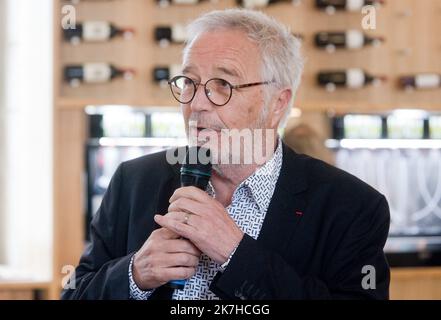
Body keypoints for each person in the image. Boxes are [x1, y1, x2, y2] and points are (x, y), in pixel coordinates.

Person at [62, 9, 390, 300]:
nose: (197, 104)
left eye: (223, 84)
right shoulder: (134, 181)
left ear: (276, 103)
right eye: (188, 82)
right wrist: (133, 275)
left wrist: (234, 252)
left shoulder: (352, 206)